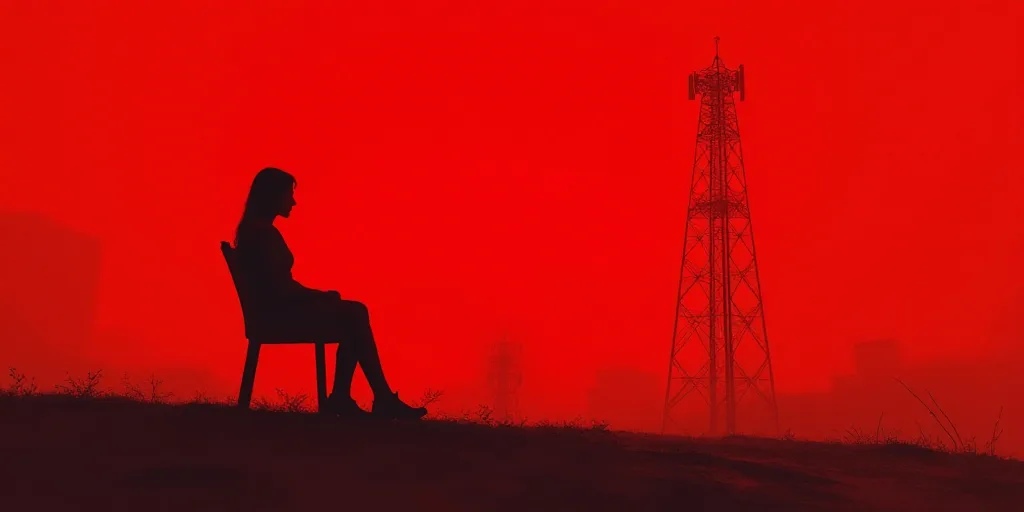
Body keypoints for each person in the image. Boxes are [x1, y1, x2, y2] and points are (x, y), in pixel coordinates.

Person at [232, 167, 427, 420]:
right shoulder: (261, 234)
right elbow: (280, 289)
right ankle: (372, 398)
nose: (293, 201)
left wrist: (319, 296)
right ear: (272, 196)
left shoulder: (255, 231)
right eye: (288, 195)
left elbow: (279, 286)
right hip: (279, 316)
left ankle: (356, 398)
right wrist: (319, 296)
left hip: (278, 311)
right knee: (355, 313)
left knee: (352, 315)